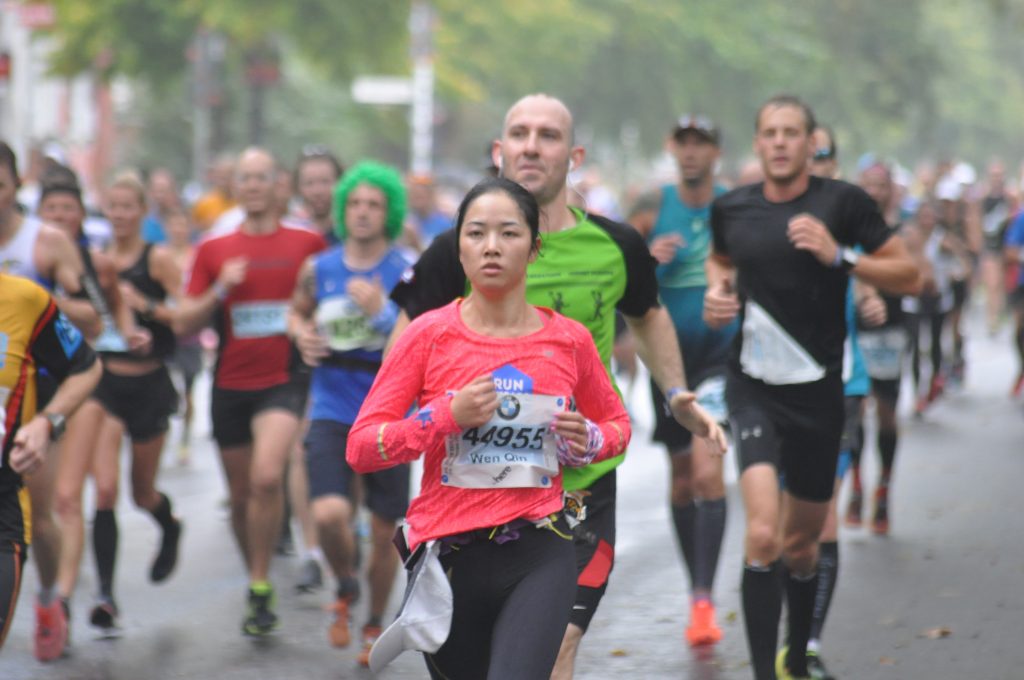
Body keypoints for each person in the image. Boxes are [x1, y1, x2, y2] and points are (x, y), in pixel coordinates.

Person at [387, 93, 724, 679]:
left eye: (547, 135)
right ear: (498, 151)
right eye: (518, 134)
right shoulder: (459, 247)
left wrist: (674, 393)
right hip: (474, 498)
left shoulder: (615, 244)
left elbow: (647, 314)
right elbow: (407, 343)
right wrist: (414, 421)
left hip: (580, 489)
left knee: (555, 649)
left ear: (574, 155)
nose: (531, 146)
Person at [348, 176, 632, 679]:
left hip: (540, 551)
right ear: (459, 250)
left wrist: (587, 440)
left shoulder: (569, 340)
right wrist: (442, 418)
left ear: (534, 248)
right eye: (476, 234)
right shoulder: (428, 335)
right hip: (450, 561)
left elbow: (617, 424)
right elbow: (362, 447)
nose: (492, 247)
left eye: (509, 233)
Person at [703, 94, 918, 680]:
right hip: (752, 389)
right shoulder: (733, 208)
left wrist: (842, 256)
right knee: (764, 533)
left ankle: (796, 656)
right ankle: (764, 673)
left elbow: (911, 273)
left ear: (809, 143)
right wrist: (718, 293)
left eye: (790, 132)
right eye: (769, 132)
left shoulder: (842, 203)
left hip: (819, 395)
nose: (779, 142)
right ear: (758, 142)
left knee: (801, 548)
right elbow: (721, 262)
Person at [176, 147, 326, 636]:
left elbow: (330, 298)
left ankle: (261, 580)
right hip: (230, 383)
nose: (255, 186)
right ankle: (257, 580)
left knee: (266, 478)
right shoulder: (214, 249)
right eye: (247, 178)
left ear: (278, 184)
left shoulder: (308, 243)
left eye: (264, 177)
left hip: (283, 380)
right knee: (241, 497)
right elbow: (184, 319)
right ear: (235, 186)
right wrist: (220, 287)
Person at [288, 161, 412, 661]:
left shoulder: (406, 270)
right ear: (342, 209)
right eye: (354, 204)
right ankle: (345, 583)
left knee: (385, 531)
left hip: (389, 408)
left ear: (389, 212)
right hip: (331, 403)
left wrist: (384, 313)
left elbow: (423, 333)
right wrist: (301, 334)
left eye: (374, 205)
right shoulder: (320, 267)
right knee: (328, 512)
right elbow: (295, 310)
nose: (362, 213)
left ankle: (374, 625)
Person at [628, 114, 736, 646]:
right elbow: (622, 280)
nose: (693, 153)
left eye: (703, 144)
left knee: (707, 474)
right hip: (666, 366)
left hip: (719, 361)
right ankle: (696, 585)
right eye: (685, 143)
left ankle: (703, 598)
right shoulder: (649, 206)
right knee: (680, 481)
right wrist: (648, 261)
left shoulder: (733, 206)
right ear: (672, 147)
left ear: (716, 151)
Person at [0, 143, 106, 660]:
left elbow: (96, 316)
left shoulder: (47, 242)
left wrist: (38, 301)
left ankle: (48, 598)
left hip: (37, 387)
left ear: (16, 186)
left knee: (45, 510)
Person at [36, 174, 146, 653]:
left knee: (77, 495)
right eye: (52, 209)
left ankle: (64, 599)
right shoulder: (24, 256)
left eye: (68, 209)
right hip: (25, 389)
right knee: (42, 509)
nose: (60, 217)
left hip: (86, 385)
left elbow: (105, 314)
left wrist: (126, 331)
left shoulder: (93, 264)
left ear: (81, 215)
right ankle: (54, 585)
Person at [88, 173, 185, 632]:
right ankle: (105, 596)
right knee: (104, 491)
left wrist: (141, 304)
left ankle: (169, 526)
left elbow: (185, 319)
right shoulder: (94, 262)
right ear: (105, 209)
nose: (120, 214)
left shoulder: (158, 258)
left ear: (142, 211)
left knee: (140, 493)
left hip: (150, 387)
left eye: (129, 206)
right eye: (113, 206)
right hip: (105, 383)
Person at [848, 161, 908, 534]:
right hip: (854, 331)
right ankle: (855, 485)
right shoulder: (844, 230)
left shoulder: (901, 233)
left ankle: (883, 489)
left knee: (885, 414)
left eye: (879, 186)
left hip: (890, 333)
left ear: (891, 190)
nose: (873, 192)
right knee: (854, 410)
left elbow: (921, 279)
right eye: (866, 185)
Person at [163, 210, 203, 462]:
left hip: (190, 335)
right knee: (167, 390)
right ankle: (164, 435)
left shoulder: (196, 256)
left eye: (182, 225)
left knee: (188, 392)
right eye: (174, 225)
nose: (178, 230)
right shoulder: (160, 256)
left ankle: (185, 440)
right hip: (165, 332)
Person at [293, 146, 345, 242]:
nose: (317, 191)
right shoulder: (291, 232)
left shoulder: (349, 235)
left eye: (325, 182)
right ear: (297, 187)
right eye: (309, 183)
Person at [192, 154, 237, 233]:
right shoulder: (204, 203)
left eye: (229, 175)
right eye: (222, 176)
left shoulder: (242, 204)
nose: (225, 181)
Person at [141, 168, 182, 244]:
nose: (159, 196)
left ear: (173, 193)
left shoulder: (182, 222)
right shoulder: (142, 222)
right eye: (156, 191)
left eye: (163, 191)